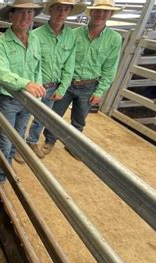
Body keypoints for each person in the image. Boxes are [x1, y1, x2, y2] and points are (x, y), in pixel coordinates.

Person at [42, 0, 123, 158]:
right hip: (67, 82)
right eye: (98, 11)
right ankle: (49, 140)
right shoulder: (74, 34)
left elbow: (110, 67)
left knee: (79, 118)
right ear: (91, 13)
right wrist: (61, 84)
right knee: (55, 114)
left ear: (111, 14)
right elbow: (63, 60)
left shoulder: (114, 39)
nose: (101, 15)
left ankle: (73, 144)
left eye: (106, 12)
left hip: (89, 85)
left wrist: (100, 91)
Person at [0, 0, 45, 184]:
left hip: (27, 100)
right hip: (8, 100)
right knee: (5, 140)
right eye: (21, 12)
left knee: (19, 136)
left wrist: (37, 85)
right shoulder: (0, 44)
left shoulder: (35, 40)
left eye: (29, 13)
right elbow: (0, 73)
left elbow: (38, 67)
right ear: (11, 16)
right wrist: (26, 83)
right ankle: (0, 176)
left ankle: (8, 165)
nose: (25, 17)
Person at [25, 0, 86, 159]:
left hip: (53, 86)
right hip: (35, 85)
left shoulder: (71, 36)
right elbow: (30, 63)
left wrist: (63, 87)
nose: (62, 13)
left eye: (66, 9)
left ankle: (31, 141)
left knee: (42, 118)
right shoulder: (35, 35)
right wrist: (31, 83)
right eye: (58, 8)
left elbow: (70, 63)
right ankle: (19, 144)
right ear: (50, 10)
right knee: (24, 114)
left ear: (70, 12)